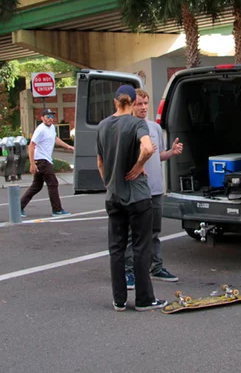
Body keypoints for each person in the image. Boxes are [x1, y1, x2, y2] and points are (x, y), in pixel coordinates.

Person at [97, 84, 165, 312]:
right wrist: (138, 167)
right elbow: (147, 148)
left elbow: (100, 162)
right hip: (137, 196)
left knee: (116, 249)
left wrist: (109, 183)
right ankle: (145, 299)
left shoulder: (103, 126)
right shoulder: (136, 123)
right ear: (134, 102)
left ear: (115, 102)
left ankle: (119, 300)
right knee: (141, 247)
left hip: (114, 196)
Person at [124, 89, 183, 289]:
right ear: (131, 105)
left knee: (154, 231)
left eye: (145, 103)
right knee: (134, 233)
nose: (143, 107)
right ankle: (129, 271)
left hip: (156, 188)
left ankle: (156, 267)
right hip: (136, 189)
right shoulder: (127, 128)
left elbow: (158, 156)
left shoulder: (154, 128)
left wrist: (171, 153)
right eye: (139, 103)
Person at [21, 108, 75, 217]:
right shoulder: (40, 129)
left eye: (52, 116)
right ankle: (57, 210)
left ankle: (18, 207)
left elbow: (55, 139)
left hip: (45, 160)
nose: (50, 119)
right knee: (53, 183)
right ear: (42, 118)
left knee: (37, 185)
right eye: (48, 116)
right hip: (42, 160)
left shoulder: (51, 128)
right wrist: (32, 163)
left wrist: (68, 146)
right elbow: (31, 146)